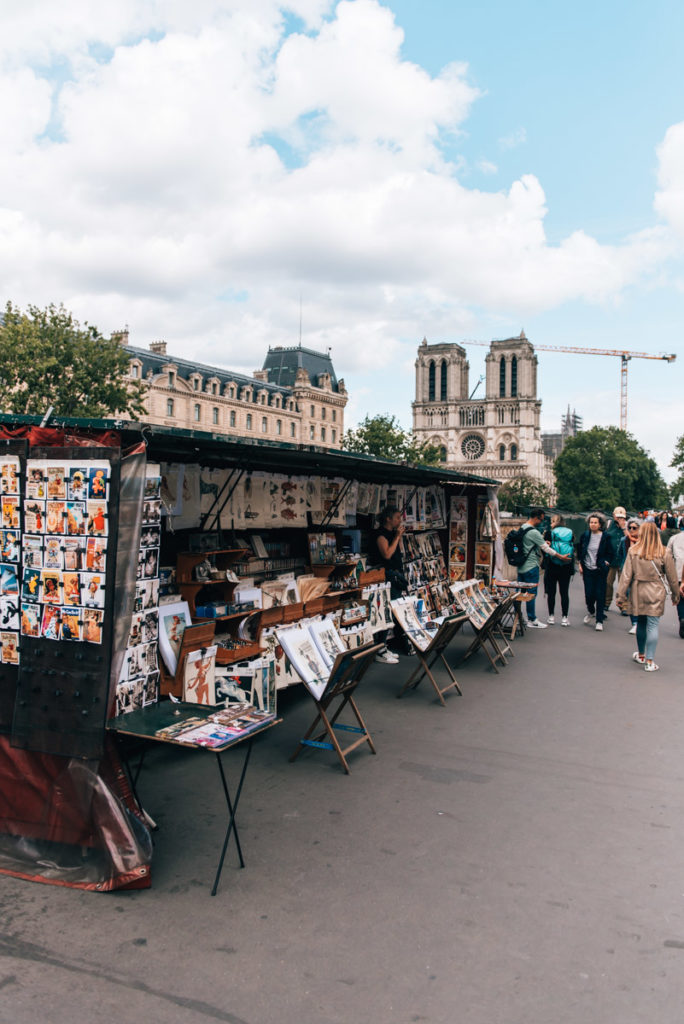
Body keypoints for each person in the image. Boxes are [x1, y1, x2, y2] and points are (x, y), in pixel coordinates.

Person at [616, 520, 679, 671]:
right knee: (653, 625)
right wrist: (675, 594)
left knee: (641, 624)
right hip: (656, 590)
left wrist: (620, 595)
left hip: (638, 589)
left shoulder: (634, 551)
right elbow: (672, 576)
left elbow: (626, 575)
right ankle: (650, 661)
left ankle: (642, 654)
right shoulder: (664, 552)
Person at [517, 508, 571, 629]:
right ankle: (532, 619)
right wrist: (560, 556)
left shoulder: (522, 528)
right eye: (541, 519)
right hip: (531, 566)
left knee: (519, 594)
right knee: (531, 594)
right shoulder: (534, 532)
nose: (541, 522)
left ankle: (518, 617)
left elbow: (532, 545)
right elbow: (546, 549)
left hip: (521, 566)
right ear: (537, 517)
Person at [369, 505, 408, 663]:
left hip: (395, 576)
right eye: (397, 517)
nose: (400, 520)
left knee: (391, 612)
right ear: (388, 519)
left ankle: (383, 646)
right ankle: (380, 648)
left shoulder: (391, 533)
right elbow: (387, 554)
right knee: (386, 611)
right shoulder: (381, 535)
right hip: (386, 578)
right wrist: (397, 537)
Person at [577, 513, 614, 631]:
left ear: (600, 524)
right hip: (587, 569)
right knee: (589, 594)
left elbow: (611, 553)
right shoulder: (585, 535)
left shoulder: (605, 537)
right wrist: (580, 564)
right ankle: (591, 611)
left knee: (600, 594)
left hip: (600, 570)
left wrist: (606, 562)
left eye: (595, 522)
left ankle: (599, 621)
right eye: (591, 522)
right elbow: (579, 550)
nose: (592, 524)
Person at [543, 513, 575, 625]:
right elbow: (572, 547)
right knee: (564, 592)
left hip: (552, 565)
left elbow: (545, 550)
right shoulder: (570, 532)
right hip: (566, 566)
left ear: (555, 522)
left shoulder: (549, 533)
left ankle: (551, 616)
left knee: (551, 592)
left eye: (552, 521)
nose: (551, 523)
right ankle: (564, 618)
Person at [617, 518, 641, 635]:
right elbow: (620, 554)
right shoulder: (624, 540)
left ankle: (639, 621)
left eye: (634, 528)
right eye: (629, 528)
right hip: (626, 571)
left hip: (639, 573)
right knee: (629, 596)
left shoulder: (643, 542)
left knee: (638, 598)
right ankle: (635, 623)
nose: (631, 530)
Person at [604, 506, 628, 611]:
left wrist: (624, 528)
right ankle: (606, 602)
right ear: (614, 516)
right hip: (611, 559)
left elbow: (630, 539)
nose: (619, 519)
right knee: (608, 583)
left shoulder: (629, 526)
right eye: (618, 516)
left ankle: (623, 606)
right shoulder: (608, 524)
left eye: (622, 517)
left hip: (624, 560)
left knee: (623, 585)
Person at [665, 522, 684, 638]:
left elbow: (667, 555)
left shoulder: (674, 538)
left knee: (680, 598)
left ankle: (682, 617)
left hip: (677, 572)